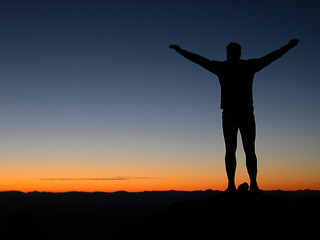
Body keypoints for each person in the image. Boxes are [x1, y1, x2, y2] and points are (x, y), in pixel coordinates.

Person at [169, 39, 299, 192]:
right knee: (245, 149)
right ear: (239, 53)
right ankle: (248, 185)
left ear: (231, 53)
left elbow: (200, 60)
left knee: (235, 149)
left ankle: (239, 185)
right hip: (243, 113)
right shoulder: (246, 66)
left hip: (233, 113)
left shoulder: (225, 67)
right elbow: (271, 57)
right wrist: (288, 46)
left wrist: (181, 51)